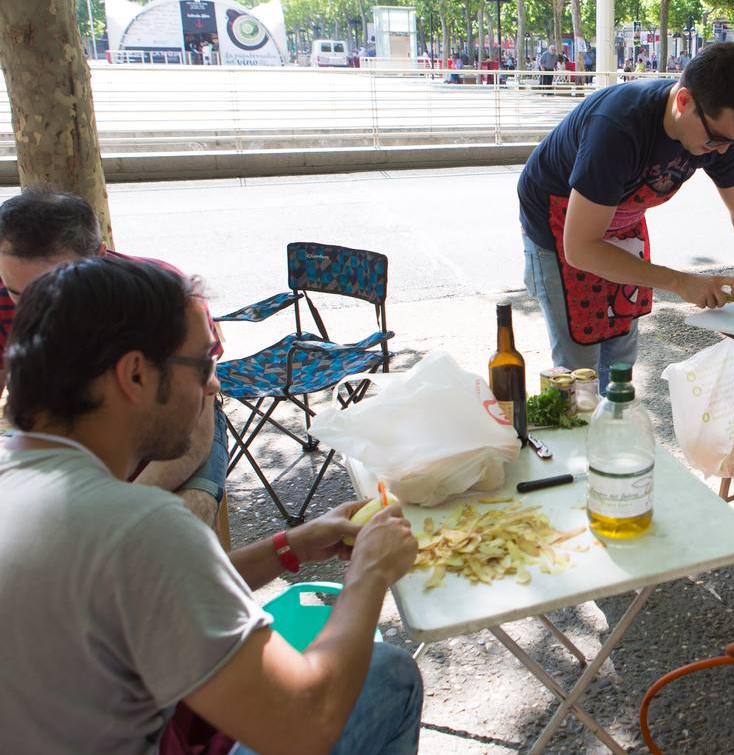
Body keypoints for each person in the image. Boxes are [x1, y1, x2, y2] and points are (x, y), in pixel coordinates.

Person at [0, 257, 422, 754]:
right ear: (135, 375)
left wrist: (289, 547)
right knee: (391, 675)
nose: (214, 385)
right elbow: (304, 725)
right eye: (203, 364)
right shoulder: (138, 526)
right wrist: (369, 574)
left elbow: (154, 594)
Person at [517, 42, 734, 388]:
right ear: (683, 101)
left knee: (621, 347)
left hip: (621, 217)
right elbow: (580, 248)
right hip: (559, 217)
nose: (723, 151)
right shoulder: (617, 127)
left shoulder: (720, 135)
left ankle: (614, 429)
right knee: (579, 364)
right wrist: (680, 282)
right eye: (716, 140)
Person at [0, 189, 226, 525]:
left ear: (100, 257)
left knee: (170, 525)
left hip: (174, 428)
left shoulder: (166, 299)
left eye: (58, 289)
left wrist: (116, 509)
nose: (36, 310)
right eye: (18, 294)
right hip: (67, 440)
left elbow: (196, 427)